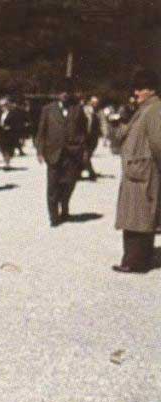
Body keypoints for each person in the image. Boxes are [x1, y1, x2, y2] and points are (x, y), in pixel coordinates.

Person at [111, 69, 161, 273]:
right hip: (137, 172)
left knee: (140, 218)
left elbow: (158, 143)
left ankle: (136, 262)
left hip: (143, 173)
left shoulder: (155, 109)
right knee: (134, 218)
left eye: (140, 88)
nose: (136, 92)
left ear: (151, 90)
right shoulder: (144, 109)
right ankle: (134, 259)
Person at [36, 79, 87, 227]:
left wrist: (82, 147)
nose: (64, 95)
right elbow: (41, 131)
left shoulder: (77, 108)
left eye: (67, 92)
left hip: (72, 153)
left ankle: (64, 207)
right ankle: (54, 216)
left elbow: (83, 130)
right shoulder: (48, 109)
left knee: (69, 184)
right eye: (61, 92)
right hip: (53, 153)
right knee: (52, 186)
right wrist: (40, 150)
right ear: (57, 94)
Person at [0, 97, 23, 170]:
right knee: (3, 149)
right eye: (1, 105)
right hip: (1, 133)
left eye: (4, 105)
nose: (2, 107)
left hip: (10, 134)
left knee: (9, 149)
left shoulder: (13, 113)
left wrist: (10, 127)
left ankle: (7, 163)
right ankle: (6, 162)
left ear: (7, 105)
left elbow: (17, 124)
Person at [83, 96, 101, 180]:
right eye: (93, 102)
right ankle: (91, 173)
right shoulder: (85, 110)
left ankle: (85, 171)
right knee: (85, 155)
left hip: (93, 137)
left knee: (87, 155)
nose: (95, 104)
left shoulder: (98, 112)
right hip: (85, 136)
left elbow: (101, 124)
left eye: (96, 102)